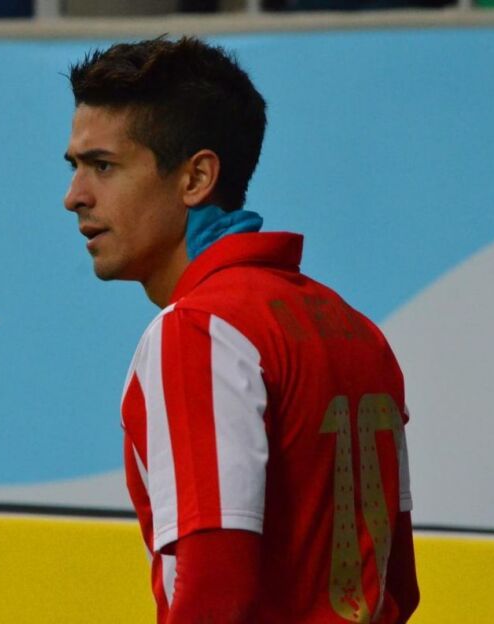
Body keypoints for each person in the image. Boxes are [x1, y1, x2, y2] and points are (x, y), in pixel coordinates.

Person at [62, 37, 419, 623]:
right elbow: (398, 582)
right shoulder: (354, 329)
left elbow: (215, 591)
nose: (74, 196)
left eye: (103, 166)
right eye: (75, 167)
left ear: (197, 177)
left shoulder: (200, 330)